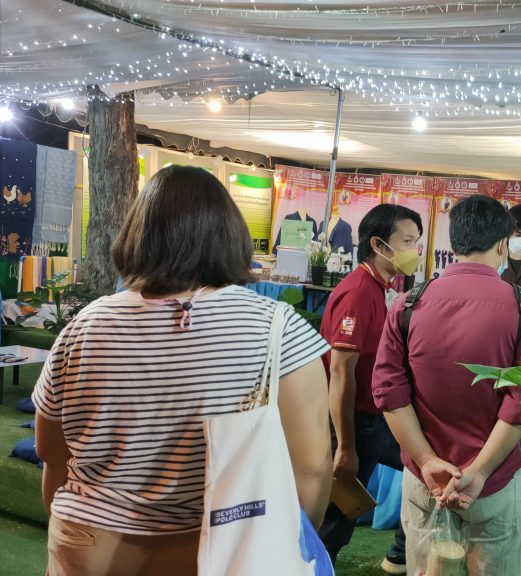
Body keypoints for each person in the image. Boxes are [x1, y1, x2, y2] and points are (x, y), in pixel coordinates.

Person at [33, 166, 332, 576]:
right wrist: (283, 543)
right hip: (218, 548)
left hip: (88, 542)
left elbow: (50, 451)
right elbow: (312, 469)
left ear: (138, 234)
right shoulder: (278, 329)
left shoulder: (85, 325)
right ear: (231, 235)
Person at [372, 194, 521, 576]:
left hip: (427, 482)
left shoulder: (408, 304)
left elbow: (388, 393)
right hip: (494, 483)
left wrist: (426, 460)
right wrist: (479, 472)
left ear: (454, 242)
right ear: (502, 245)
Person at [317, 203, 423, 573]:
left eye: (416, 242)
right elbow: (341, 374)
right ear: (378, 244)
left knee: (421, 466)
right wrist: (345, 446)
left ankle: (401, 550)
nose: (414, 251)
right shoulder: (359, 293)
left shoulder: (382, 288)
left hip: (375, 418)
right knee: (336, 517)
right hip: (353, 422)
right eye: (406, 241)